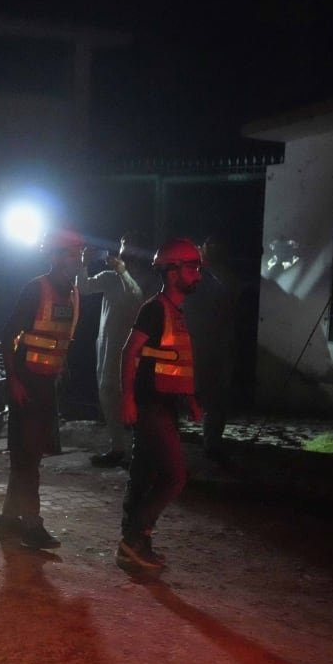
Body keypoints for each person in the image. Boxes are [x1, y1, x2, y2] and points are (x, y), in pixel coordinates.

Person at [116, 237, 204, 574]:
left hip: (166, 405)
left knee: (145, 474)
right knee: (175, 477)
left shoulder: (175, 313)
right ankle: (135, 536)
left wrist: (191, 400)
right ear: (172, 270)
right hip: (151, 406)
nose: (197, 274)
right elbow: (129, 351)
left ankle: (135, 545)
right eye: (192, 267)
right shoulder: (154, 309)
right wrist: (127, 397)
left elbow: (175, 362)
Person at [0, 227, 86, 550]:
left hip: (47, 384)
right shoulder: (36, 290)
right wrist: (13, 381)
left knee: (27, 457)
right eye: (73, 254)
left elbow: (62, 340)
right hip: (27, 383)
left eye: (80, 254)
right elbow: (8, 337)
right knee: (28, 457)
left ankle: (8, 521)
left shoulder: (74, 294)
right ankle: (31, 524)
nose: (78, 260)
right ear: (56, 256)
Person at [78, 234, 154, 468]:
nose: (123, 249)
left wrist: (123, 272)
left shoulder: (148, 278)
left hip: (132, 347)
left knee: (132, 397)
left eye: (129, 245)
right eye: (122, 245)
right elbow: (84, 288)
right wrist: (83, 263)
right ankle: (117, 448)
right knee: (108, 392)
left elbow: (137, 298)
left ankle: (141, 451)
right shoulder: (110, 277)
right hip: (108, 344)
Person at [185, 237, 241, 462]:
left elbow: (228, 295)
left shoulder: (224, 277)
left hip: (218, 343)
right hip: (197, 341)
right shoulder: (200, 275)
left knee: (215, 395)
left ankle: (212, 443)